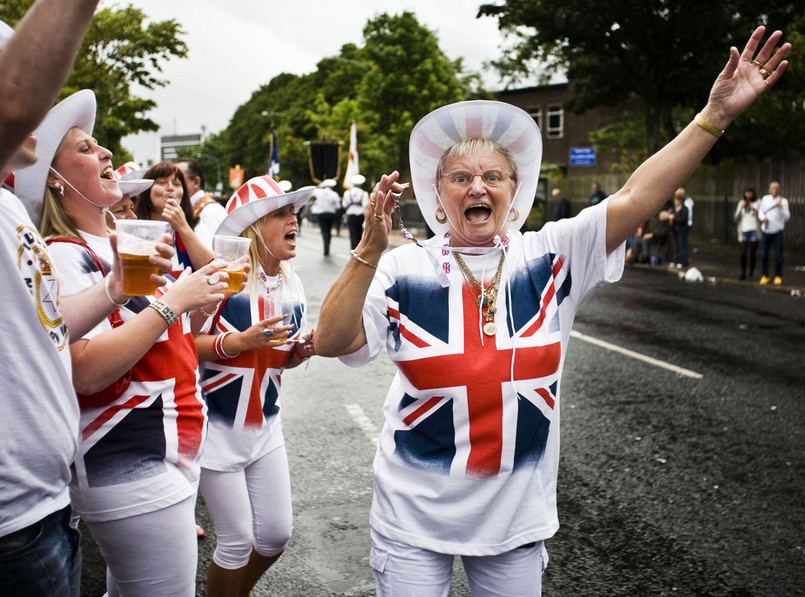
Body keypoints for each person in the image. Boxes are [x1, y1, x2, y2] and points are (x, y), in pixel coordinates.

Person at [313, 27, 789, 595]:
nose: (477, 187)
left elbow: (636, 196)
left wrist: (714, 118)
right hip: (412, 519)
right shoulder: (401, 268)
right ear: (438, 194)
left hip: (515, 522)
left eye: (492, 176)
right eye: (460, 178)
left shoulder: (553, 254)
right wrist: (367, 251)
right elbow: (331, 341)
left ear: (514, 190)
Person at [13, 89, 231, 597]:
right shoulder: (63, 254)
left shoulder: (125, 243)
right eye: (86, 148)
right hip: (126, 456)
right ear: (54, 178)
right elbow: (85, 369)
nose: (106, 151)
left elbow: (166, 339)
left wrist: (195, 303)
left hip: (168, 448)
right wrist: (173, 302)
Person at [0, 4, 132, 595]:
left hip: (46, 506)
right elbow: (13, 102)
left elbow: (48, 328)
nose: (40, 110)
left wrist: (117, 288)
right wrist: (169, 306)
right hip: (12, 527)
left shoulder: (8, 208)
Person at [194, 175, 316, 597]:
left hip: (265, 426)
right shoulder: (222, 277)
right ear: (254, 228)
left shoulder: (292, 282)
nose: (293, 220)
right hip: (215, 429)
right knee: (236, 541)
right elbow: (181, 347)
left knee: (276, 535)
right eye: (281, 214)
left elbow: (282, 357)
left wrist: (302, 351)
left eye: (293, 212)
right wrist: (239, 342)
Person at [135, 160, 214, 276]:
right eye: (161, 182)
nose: (170, 188)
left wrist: (183, 227)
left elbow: (212, 271)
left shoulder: (195, 226)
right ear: (147, 191)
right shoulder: (134, 227)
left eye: (176, 184)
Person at [176, 158, 227, 246]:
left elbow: (215, 251)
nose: (170, 186)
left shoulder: (211, 212)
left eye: (177, 180)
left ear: (196, 182)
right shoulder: (191, 209)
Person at [758, 180, 790, 285]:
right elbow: (761, 212)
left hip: (777, 232)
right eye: (773, 188)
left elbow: (787, 217)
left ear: (779, 189)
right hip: (766, 230)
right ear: (769, 189)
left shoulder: (783, 201)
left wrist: (781, 209)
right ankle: (765, 275)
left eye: (776, 188)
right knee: (764, 254)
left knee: (778, 255)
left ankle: (778, 276)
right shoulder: (765, 199)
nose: (774, 190)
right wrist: (763, 218)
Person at [734, 187, 761, 280]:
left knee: (752, 253)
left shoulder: (758, 202)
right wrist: (741, 208)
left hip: (754, 230)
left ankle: (751, 272)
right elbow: (736, 217)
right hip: (744, 230)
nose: (748, 195)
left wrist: (755, 207)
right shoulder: (741, 203)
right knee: (743, 253)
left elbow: (762, 215)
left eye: (750, 193)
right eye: (747, 193)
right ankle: (743, 272)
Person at [309, 178, 341, 256]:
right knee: (329, 230)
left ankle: (326, 247)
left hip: (321, 214)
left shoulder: (319, 192)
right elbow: (338, 206)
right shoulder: (334, 194)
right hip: (330, 214)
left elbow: (313, 190)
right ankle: (328, 246)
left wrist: (320, 184)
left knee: (324, 231)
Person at [343, 173, 370, 249]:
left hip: (351, 215)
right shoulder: (364, 193)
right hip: (360, 215)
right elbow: (365, 206)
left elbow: (344, 205)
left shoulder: (347, 193)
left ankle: (353, 250)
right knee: (359, 234)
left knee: (352, 234)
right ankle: (358, 250)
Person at [669, 188, 690, 268]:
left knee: (681, 246)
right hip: (675, 230)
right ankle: (676, 260)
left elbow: (682, 219)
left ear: (680, 201)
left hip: (681, 231)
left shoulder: (685, 209)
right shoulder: (673, 209)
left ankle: (682, 261)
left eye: (676, 200)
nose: (675, 202)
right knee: (676, 246)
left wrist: (674, 217)